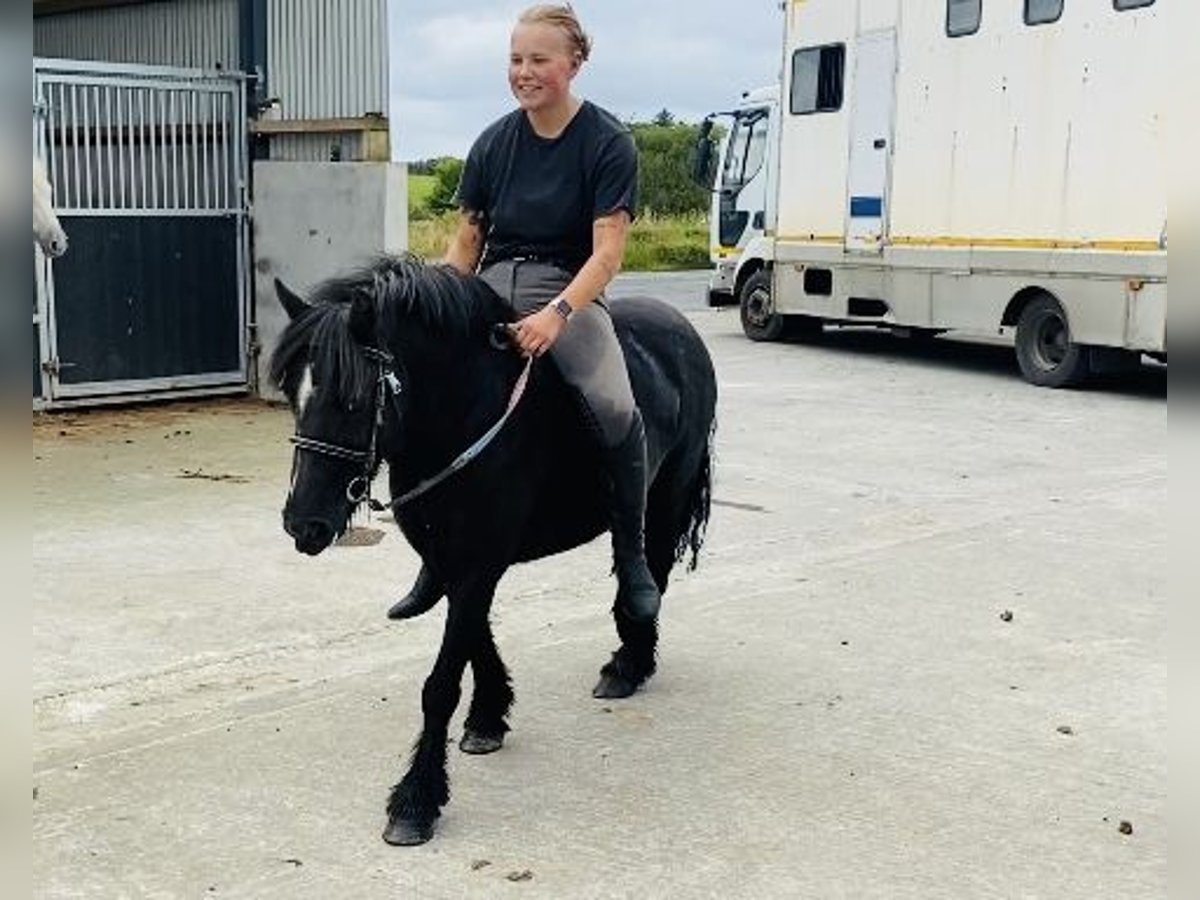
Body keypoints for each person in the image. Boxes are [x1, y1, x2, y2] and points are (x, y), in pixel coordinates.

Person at [388, 3, 660, 622]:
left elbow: (608, 254)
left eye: (539, 59)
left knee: (614, 402)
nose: (524, 72)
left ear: (574, 62)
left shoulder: (607, 142)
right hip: (488, 285)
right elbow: (466, 242)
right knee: (429, 393)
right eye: (515, 59)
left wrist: (557, 315)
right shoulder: (493, 142)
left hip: (569, 286)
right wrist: (435, 305)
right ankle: (436, 553)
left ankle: (634, 556)